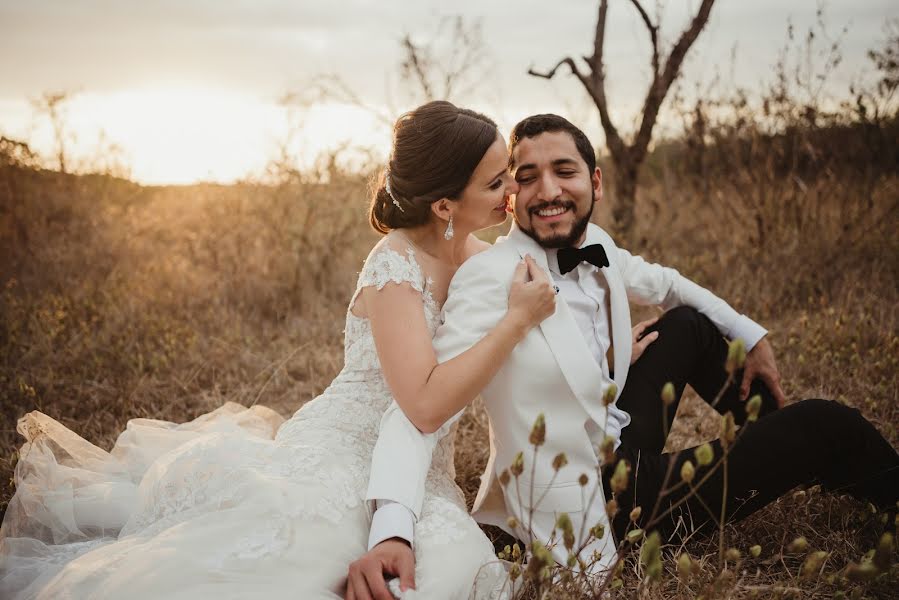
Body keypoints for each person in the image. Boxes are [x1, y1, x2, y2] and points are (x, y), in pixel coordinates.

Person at [0, 101, 557, 600]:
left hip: (422, 467)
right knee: (295, 555)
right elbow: (422, 405)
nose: (511, 188)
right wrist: (516, 320)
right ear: (443, 205)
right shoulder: (396, 267)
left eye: (506, 173)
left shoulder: (479, 257)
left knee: (457, 565)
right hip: (350, 449)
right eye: (494, 182)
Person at [362, 113, 899, 582]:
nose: (547, 190)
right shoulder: (490, 277)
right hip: (589, 490)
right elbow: (420, 411)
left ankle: (779, 438)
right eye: (526, 178)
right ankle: (817, 450)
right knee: (828, 423)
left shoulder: (601, 246)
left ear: (595, 181)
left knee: (685, 324)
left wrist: (751, 334)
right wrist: (393, 529)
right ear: (511, 195)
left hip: (616, 429)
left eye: (564, 172)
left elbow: (666, 285)